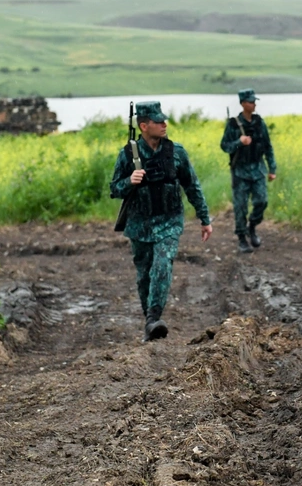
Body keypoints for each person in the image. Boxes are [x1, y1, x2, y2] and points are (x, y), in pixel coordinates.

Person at [110, 101, 213, 341]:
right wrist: (129, 181)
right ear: (144, 126)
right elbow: (114, 189)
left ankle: (154, 316)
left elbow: (192, 186)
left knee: (162, 264)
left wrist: (204, 218)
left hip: (170, 221)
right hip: (139, 225)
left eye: (164, 120)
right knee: (144, 275)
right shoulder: (127, 154)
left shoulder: (177, 152)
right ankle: (150, 321)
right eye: (158, 121)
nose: (164, 124)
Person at [220, 88, 277, 254]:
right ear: (243, 104)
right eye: (251, 102)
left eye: (254, 101)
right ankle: (242, 238)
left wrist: (272, 168)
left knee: (262, 201)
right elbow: (224, 146)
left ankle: (252, 226)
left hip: (258, 169)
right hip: (240, 172)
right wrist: (239, 142)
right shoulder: (233, 124)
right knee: (240, 207)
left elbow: (268, 147)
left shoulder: (260, 123)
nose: (254, 104)